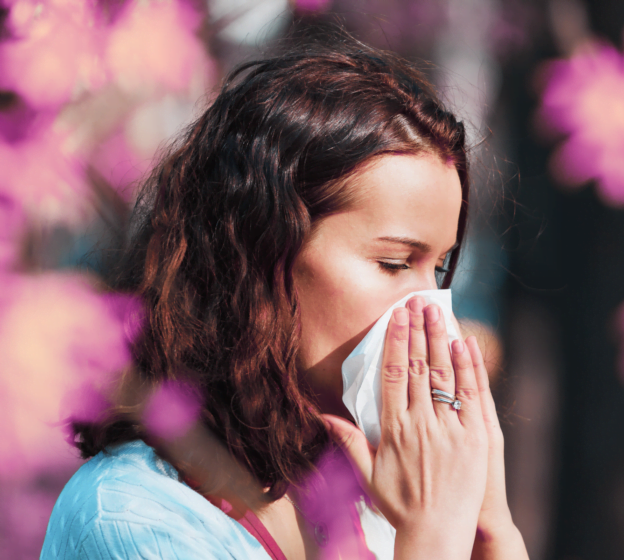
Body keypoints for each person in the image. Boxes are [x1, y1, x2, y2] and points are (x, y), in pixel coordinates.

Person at [41, 29, 529, 560]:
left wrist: (490, 532)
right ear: (261, 253)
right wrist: (431, 539)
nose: (431, 312)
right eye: (394, 263)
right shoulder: (133, 518)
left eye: (437, 270)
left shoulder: (372, 489)